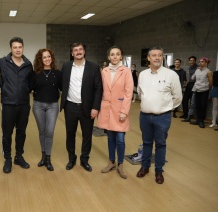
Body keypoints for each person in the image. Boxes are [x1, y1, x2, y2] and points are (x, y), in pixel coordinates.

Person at [136, 46, 182, 184]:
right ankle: (145, 167)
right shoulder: (143, 74)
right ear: (148, 58)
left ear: (162, 57)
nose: (157, 57)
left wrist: (165, 108)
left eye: (160, 55)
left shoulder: (171, 75)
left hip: (162, 117)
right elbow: (140, 92)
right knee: (146, 142)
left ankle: (159, 170)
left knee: (161, 144)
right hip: (144, 116)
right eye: (154, 55)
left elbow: (178, 97)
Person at [0, 37, 33, 174]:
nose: (18, 49)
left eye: (20, 47)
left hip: (24, 104)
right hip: (8, 104)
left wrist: (26, 90)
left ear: (23, 48)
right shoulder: (3, 62)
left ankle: (18, 157)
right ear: (11, 48)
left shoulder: (28, 64)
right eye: (15, 47)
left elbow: (30, 83)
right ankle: (7, 159)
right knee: (7, 134)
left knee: (21, 132)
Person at [60, 42, 103, 172]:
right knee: (70, 134)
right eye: (75, 50)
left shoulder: (93, 67)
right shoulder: (66, 66)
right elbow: (62, 84)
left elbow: (98, 88)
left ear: (84, 52)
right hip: (70, 107)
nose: (78, 52)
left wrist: (95, 107)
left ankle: (84, 160)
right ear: (72, 53)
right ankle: (71, 159)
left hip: (88, 108)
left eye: (80, 49)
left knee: (87, 135)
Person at [97, 46, 133, 179]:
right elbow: (100, 89)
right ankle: (111, 162)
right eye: (112, 54)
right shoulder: (104, 71)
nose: (115, 56)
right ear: (108, 57)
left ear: (121, 56)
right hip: (107, 109)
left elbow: (128, 93)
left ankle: (121, 164)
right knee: (110, 138)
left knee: (120, 138)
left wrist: (124, 111)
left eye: (117, 54)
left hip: (120, 110)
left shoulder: (126, 71)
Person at [31, 48, 62, 171]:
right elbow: (29, 87)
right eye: (44, 57)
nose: (47, 59)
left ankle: (48, 158)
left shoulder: (57, 73)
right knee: (42, 131)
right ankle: (43, 156)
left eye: (49, 56)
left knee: (49, 131)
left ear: (52, 58)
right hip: (38, 105)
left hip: (52, 106)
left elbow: (63, 87)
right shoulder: (35, 74)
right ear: (40, 59)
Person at [189, 57, 213, 128]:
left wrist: (209, 90)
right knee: (197, 105)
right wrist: (196, 71)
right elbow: (192, 78)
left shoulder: (209, 71)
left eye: (202, 62)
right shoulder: (197, 70)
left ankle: (201, 121)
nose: (200, 63)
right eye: (199, 61)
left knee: (203, 106)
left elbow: (211, 82)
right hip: (196, 90)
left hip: (204, 91)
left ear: (206, 63)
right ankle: (197, 119)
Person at [181, 56, 198, 121]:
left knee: (192, 102)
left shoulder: (198, 68)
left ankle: (190, 115)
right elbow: (189, 77)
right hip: (189, 84)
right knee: (184, 100)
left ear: (195, 61)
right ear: (189, 61)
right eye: (190, 60)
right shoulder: (188, 68)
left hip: (195, 85)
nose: (192, 61)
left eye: (193, 60)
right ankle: (185, 114)